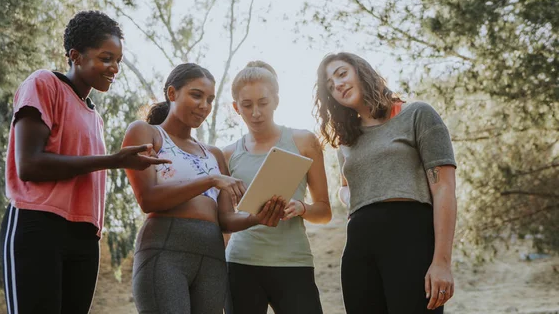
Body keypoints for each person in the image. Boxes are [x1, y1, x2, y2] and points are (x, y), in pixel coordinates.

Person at [0, 11, 168, 314]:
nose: (115, 68)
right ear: (75, 56)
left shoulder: (94, 116)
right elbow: (30, 164)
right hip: (38, 226)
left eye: (118, 60)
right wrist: (112, 161)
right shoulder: (44, 84)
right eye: (106, 58)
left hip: (83, 236)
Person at [314, 52, 457, 313]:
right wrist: (353, 197)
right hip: (359, 247)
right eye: (330, 85)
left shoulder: (417, 114)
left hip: (411, 240)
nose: (338, 85)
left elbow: (444, 188)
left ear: (362, 71)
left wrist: (442, 262)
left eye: (342, 74)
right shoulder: (347, 141)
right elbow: (345, 187)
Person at [123, 63, 271, 314]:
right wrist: (210, 180)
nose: (204, 105)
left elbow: (225, 219)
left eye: (210, 99)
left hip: (212, 258)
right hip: (164, 251)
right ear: (172, 94)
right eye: (196, 95)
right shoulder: (147, 133)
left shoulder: (213, 154)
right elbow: (148, 199)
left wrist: (258, 217)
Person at [219, 61, 332, 314]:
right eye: (247, 105)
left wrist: (301, 208)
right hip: (240, 264)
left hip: (293, 262)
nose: (256, 112)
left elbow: (324, 211)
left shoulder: (303, 141)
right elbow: (225, 223)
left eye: (263, 102)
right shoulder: (227, 155)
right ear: (237, 107)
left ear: (277, 101)